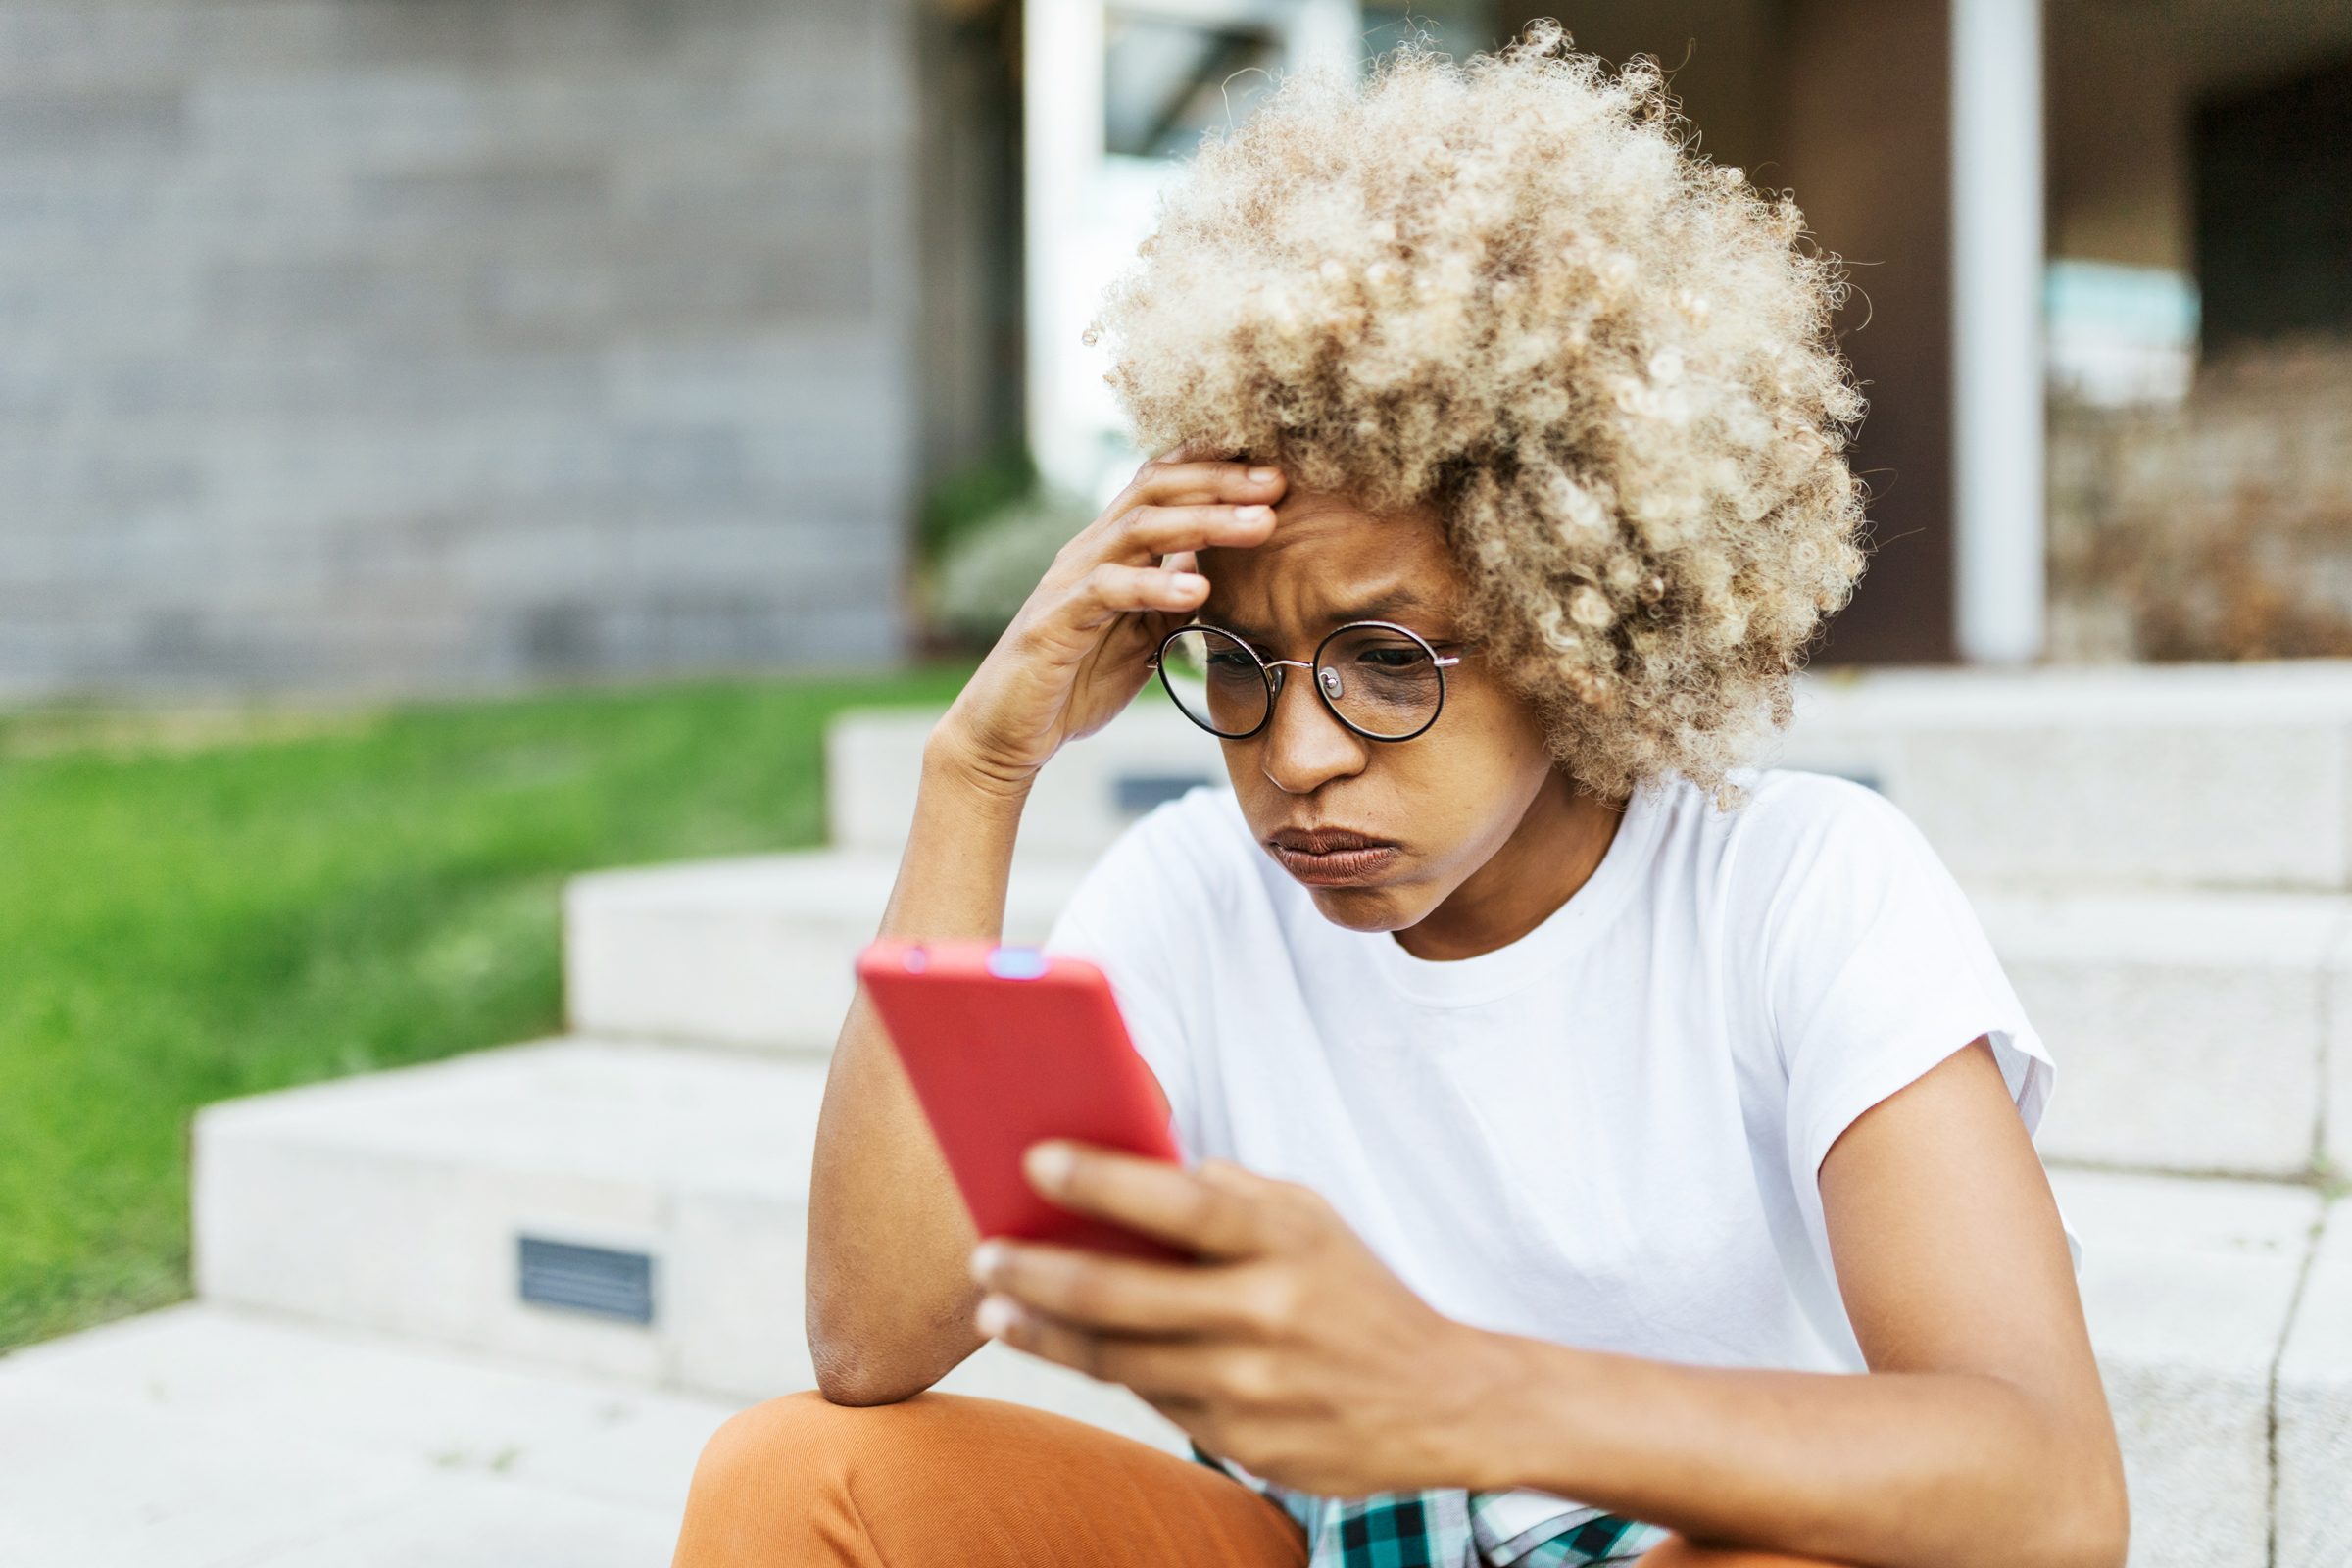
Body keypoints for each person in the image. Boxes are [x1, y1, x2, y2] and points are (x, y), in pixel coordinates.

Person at [670, 21, 2127, 1568]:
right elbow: (872, 1343)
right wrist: (978, 772)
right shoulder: (1191, 900)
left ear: (1580, 623)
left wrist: (1465, 1395)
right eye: (1236, 661)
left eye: (1385, 658)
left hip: (1692, 1541)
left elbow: (2048, 1495)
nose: (1295, 755)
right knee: (795, 1480)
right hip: (1319, 1546)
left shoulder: (1800, 887)